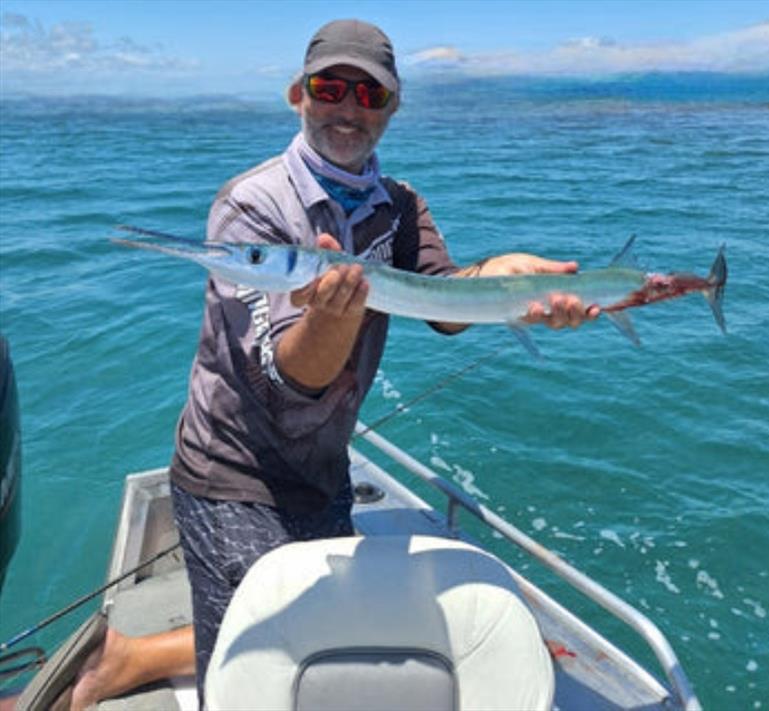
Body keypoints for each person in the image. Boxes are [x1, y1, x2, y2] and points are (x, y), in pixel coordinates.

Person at [65, 18, 598, 710]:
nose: (349, 107)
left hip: (323, 465)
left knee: (325, 632)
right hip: (234, 472)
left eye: (369, 94)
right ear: (299, 95)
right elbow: (292, 378)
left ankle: (132, 654)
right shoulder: (251, 207)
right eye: (331, 87)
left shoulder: (400, 205)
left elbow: (442, 302)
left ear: (391, 108)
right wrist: (331, 315)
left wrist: (504, 282)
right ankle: (124, 660)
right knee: (262, 662)